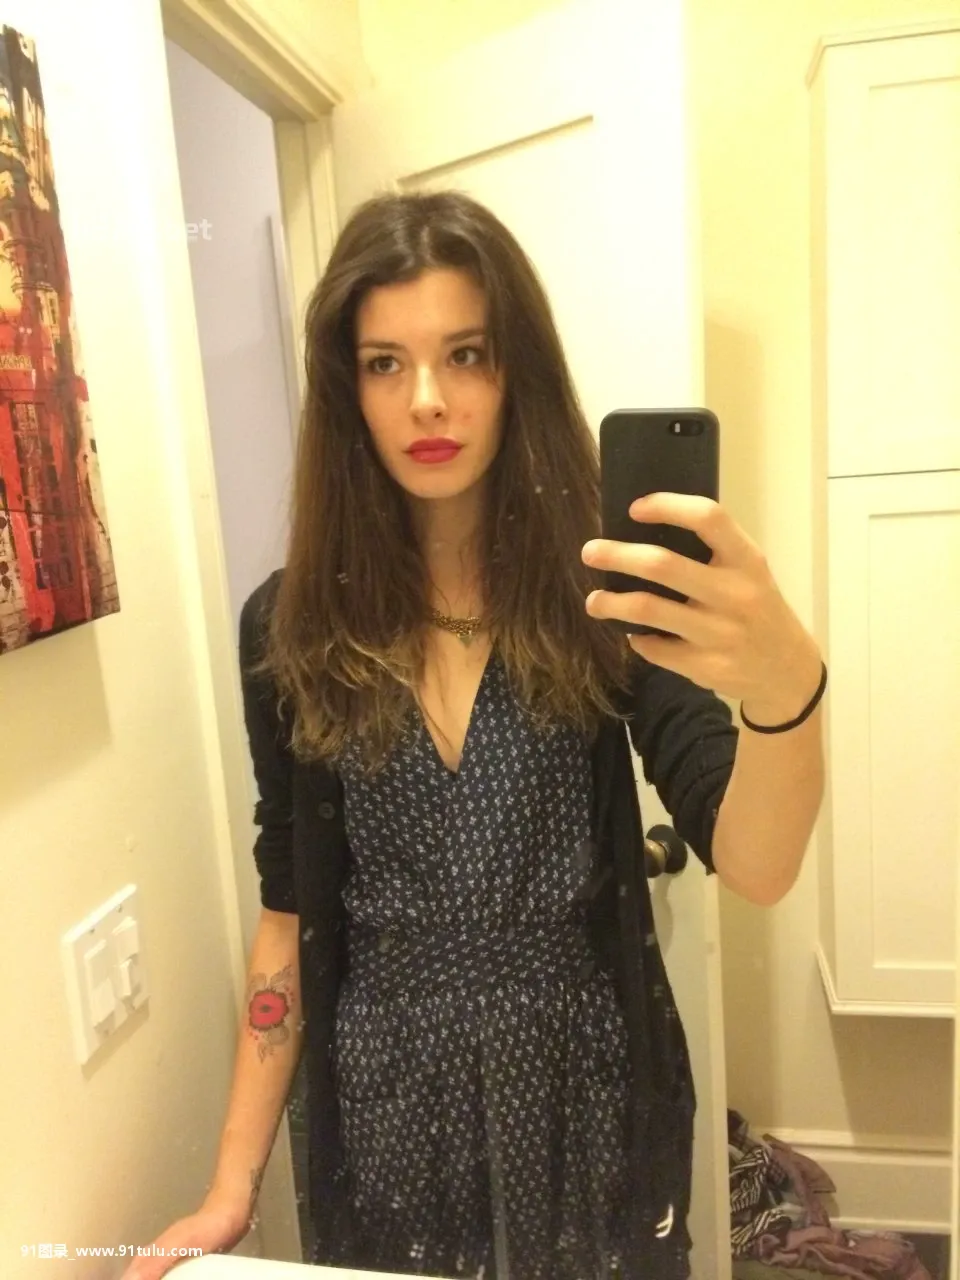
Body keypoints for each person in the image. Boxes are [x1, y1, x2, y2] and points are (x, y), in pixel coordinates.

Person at [124, 190, 826, 1280]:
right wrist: (229, 1187)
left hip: (586, 1089)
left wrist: (789, 688)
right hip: (386, 1103)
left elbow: (762, 862)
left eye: (466, 354)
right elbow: (287, 916)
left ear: (515, 373)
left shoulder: (605, 597)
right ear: (346, 388)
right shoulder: (291, 626)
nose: (428, 399)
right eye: (385, 363)